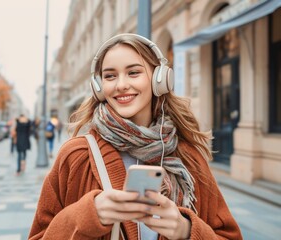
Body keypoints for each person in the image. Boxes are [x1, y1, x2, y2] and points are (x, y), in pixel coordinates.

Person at [29, 33, 242, 239]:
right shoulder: (76, 155)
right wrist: (88, 215)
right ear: (99, 87)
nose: (121, 84)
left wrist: (186, 230)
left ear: (160, 79)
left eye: (133, 73)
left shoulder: (188, 158)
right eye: (110, 76)